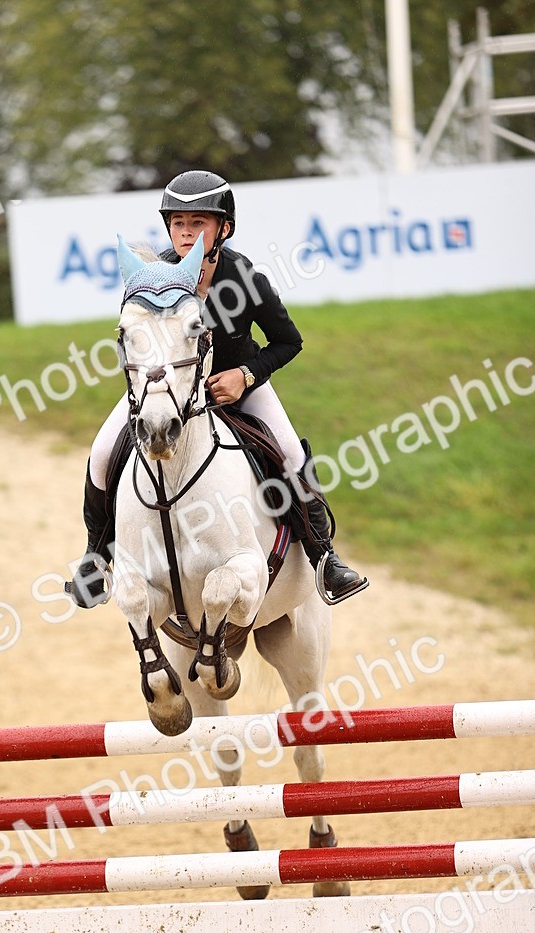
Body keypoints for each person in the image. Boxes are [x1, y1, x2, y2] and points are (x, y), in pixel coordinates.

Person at [70, 169, 367, 608]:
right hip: (169, 387)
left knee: (289, 450)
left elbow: (289, 341)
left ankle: (326, 558)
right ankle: (96, 559)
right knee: (100, 453)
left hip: (236, 384)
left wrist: (244, 375)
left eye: (198, 223)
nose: (186, 233)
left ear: (223, 228)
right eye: (178, 224)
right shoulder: (158, 274)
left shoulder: (243, 276)